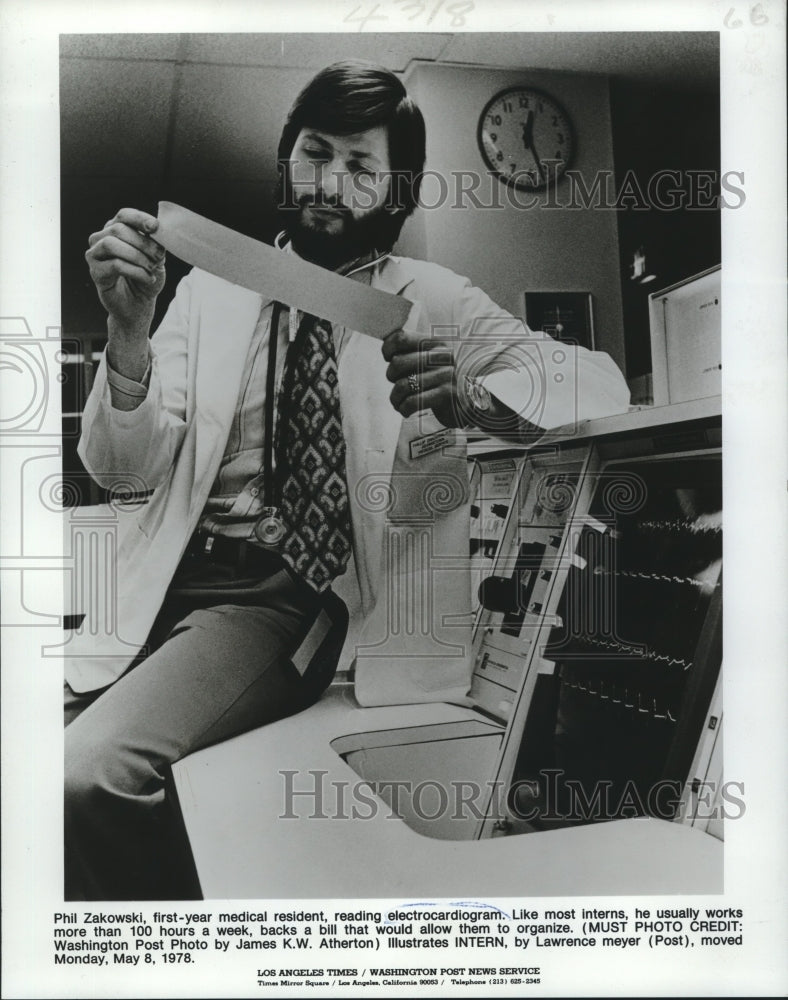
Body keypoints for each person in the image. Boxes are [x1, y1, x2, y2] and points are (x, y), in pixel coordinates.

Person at [65, 61, 630, 900]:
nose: (330, 182)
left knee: (87, 776)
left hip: (282, 600)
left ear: (397, 189)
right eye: (314, 153)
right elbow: (123, 471)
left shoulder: (434, 300)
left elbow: (599, 382)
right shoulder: (209, 292)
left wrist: (476, 399)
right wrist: (128, 333)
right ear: (285, 158)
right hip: (159, 588)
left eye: (362, 167)